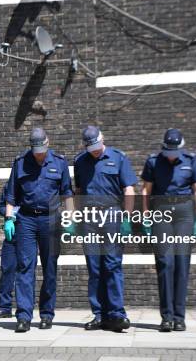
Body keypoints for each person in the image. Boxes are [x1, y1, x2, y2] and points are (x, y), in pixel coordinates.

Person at [4, 128, 73, 332]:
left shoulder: (60, 163)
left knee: (49, 267)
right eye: (36, 150)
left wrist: (70, 219)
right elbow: (11, 195)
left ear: (48, 143)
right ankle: (24, 317)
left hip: (51, 219)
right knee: (25, 266)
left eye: (42, 149)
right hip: (25, 219)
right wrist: (9, 218)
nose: (39, 153)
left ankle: (46, 314)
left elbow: (67, 193)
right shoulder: (20, 163)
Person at [141, 128, 196, 332]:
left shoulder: (191, 160)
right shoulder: (153, 161)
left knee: (181, 263)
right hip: (161, 212)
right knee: (165, 262)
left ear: (181, 147)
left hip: (184, 213)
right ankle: (166, 317)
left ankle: (179, 317)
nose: (170, 156)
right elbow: (146, 190)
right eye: (167, 151)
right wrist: (146, 217)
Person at [74, 126, 137, 332]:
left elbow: (128, 189)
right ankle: (99, 315)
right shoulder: (80, 161)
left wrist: (127, 218)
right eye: (90, 147)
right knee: (94, 268)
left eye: (97, 146)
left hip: (112, 215)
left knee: (112, 265)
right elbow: (79, 191)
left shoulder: (118, 158)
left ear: (103, 139)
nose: (94, 150)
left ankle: (117, 314)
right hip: (89, 218)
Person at [0, 182, 19, 319]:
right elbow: (1, 206)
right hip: (11, 233)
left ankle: (24, 307)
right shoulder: (9, 186)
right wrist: (10, 214)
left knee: (25, 271)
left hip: (30, 231)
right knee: (7, 269)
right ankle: (4, 307)